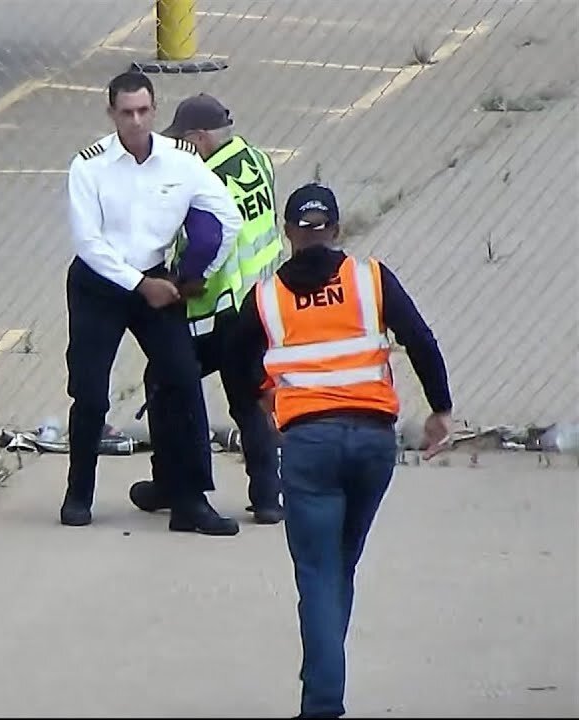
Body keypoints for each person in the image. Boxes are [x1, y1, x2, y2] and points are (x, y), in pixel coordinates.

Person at [231, 184, 454, 718]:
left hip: (309, 444)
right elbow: (420, 339)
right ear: (335, 229)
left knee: (316, 572)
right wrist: (440, 410)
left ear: (288, 235)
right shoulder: (369, 278)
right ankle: (321, 681)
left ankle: (322, 703)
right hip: (372, 442)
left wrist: (266, 404)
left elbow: (234, 360)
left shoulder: (265, 298)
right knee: (340, 566)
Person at [62, 71, 242, 534]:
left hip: (158, 282)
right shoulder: (89, 166)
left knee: (182, 380)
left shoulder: (181, 161)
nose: (136, 121)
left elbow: (228, 218)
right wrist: (139, 284)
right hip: (100, 284)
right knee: (90, 392)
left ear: (155, 111)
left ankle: (190, 501)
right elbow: (89, 243)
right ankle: (79, 491)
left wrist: (191, 280)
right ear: (111, 114)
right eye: (127, 113)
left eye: (144, 111)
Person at [129, 93, 284, 524]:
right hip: (262, 301)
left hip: (219, 308)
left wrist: (183, 284)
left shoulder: (205, 181)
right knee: (250, 396)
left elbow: (206, 243)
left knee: (164, 380)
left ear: (199, 138)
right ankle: (269, 497)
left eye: (183, 139)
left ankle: (169, 482)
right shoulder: (256, 159)